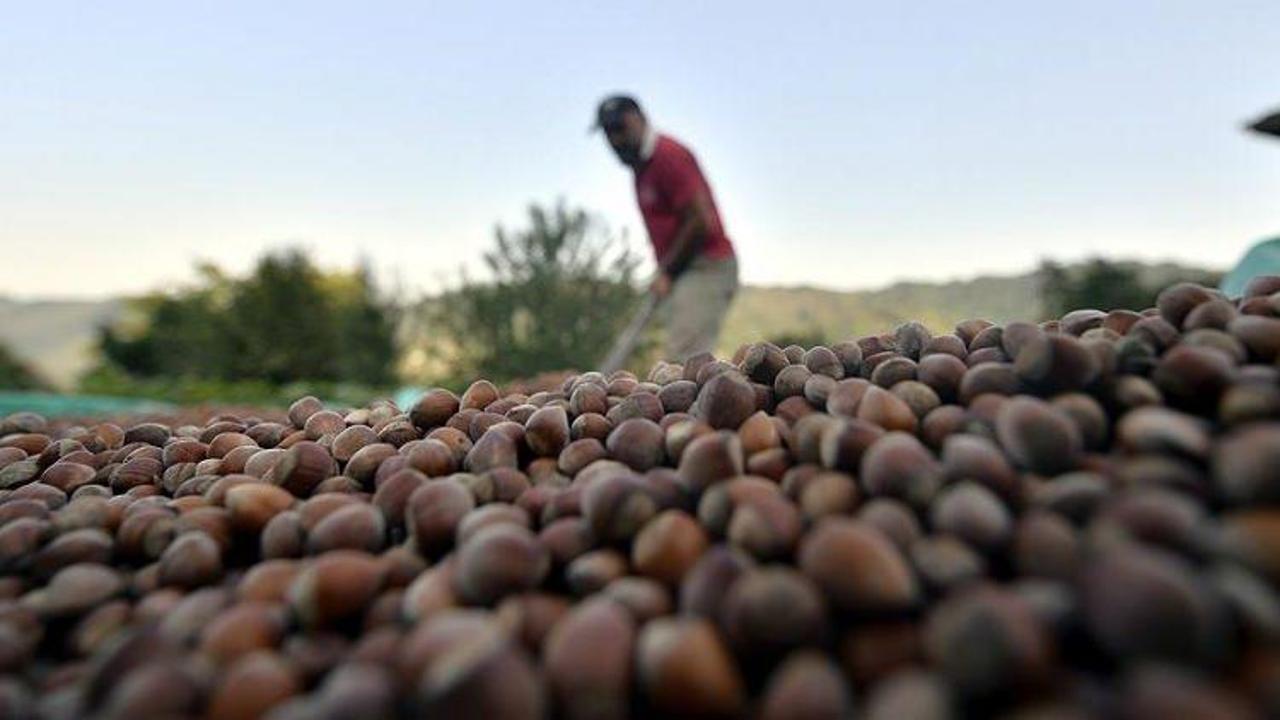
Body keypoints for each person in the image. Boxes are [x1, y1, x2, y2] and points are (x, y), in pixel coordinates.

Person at [593, 94, 740, 363]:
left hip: (706, 265)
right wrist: (666, 272)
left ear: (641, 119)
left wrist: (668, 272)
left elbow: (699, 221)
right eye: (608, 133)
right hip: (681, 271)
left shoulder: (667, 156)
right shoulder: (641, 170)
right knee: (678, 360)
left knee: (685, 362)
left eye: (619, 129)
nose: (614, 140)